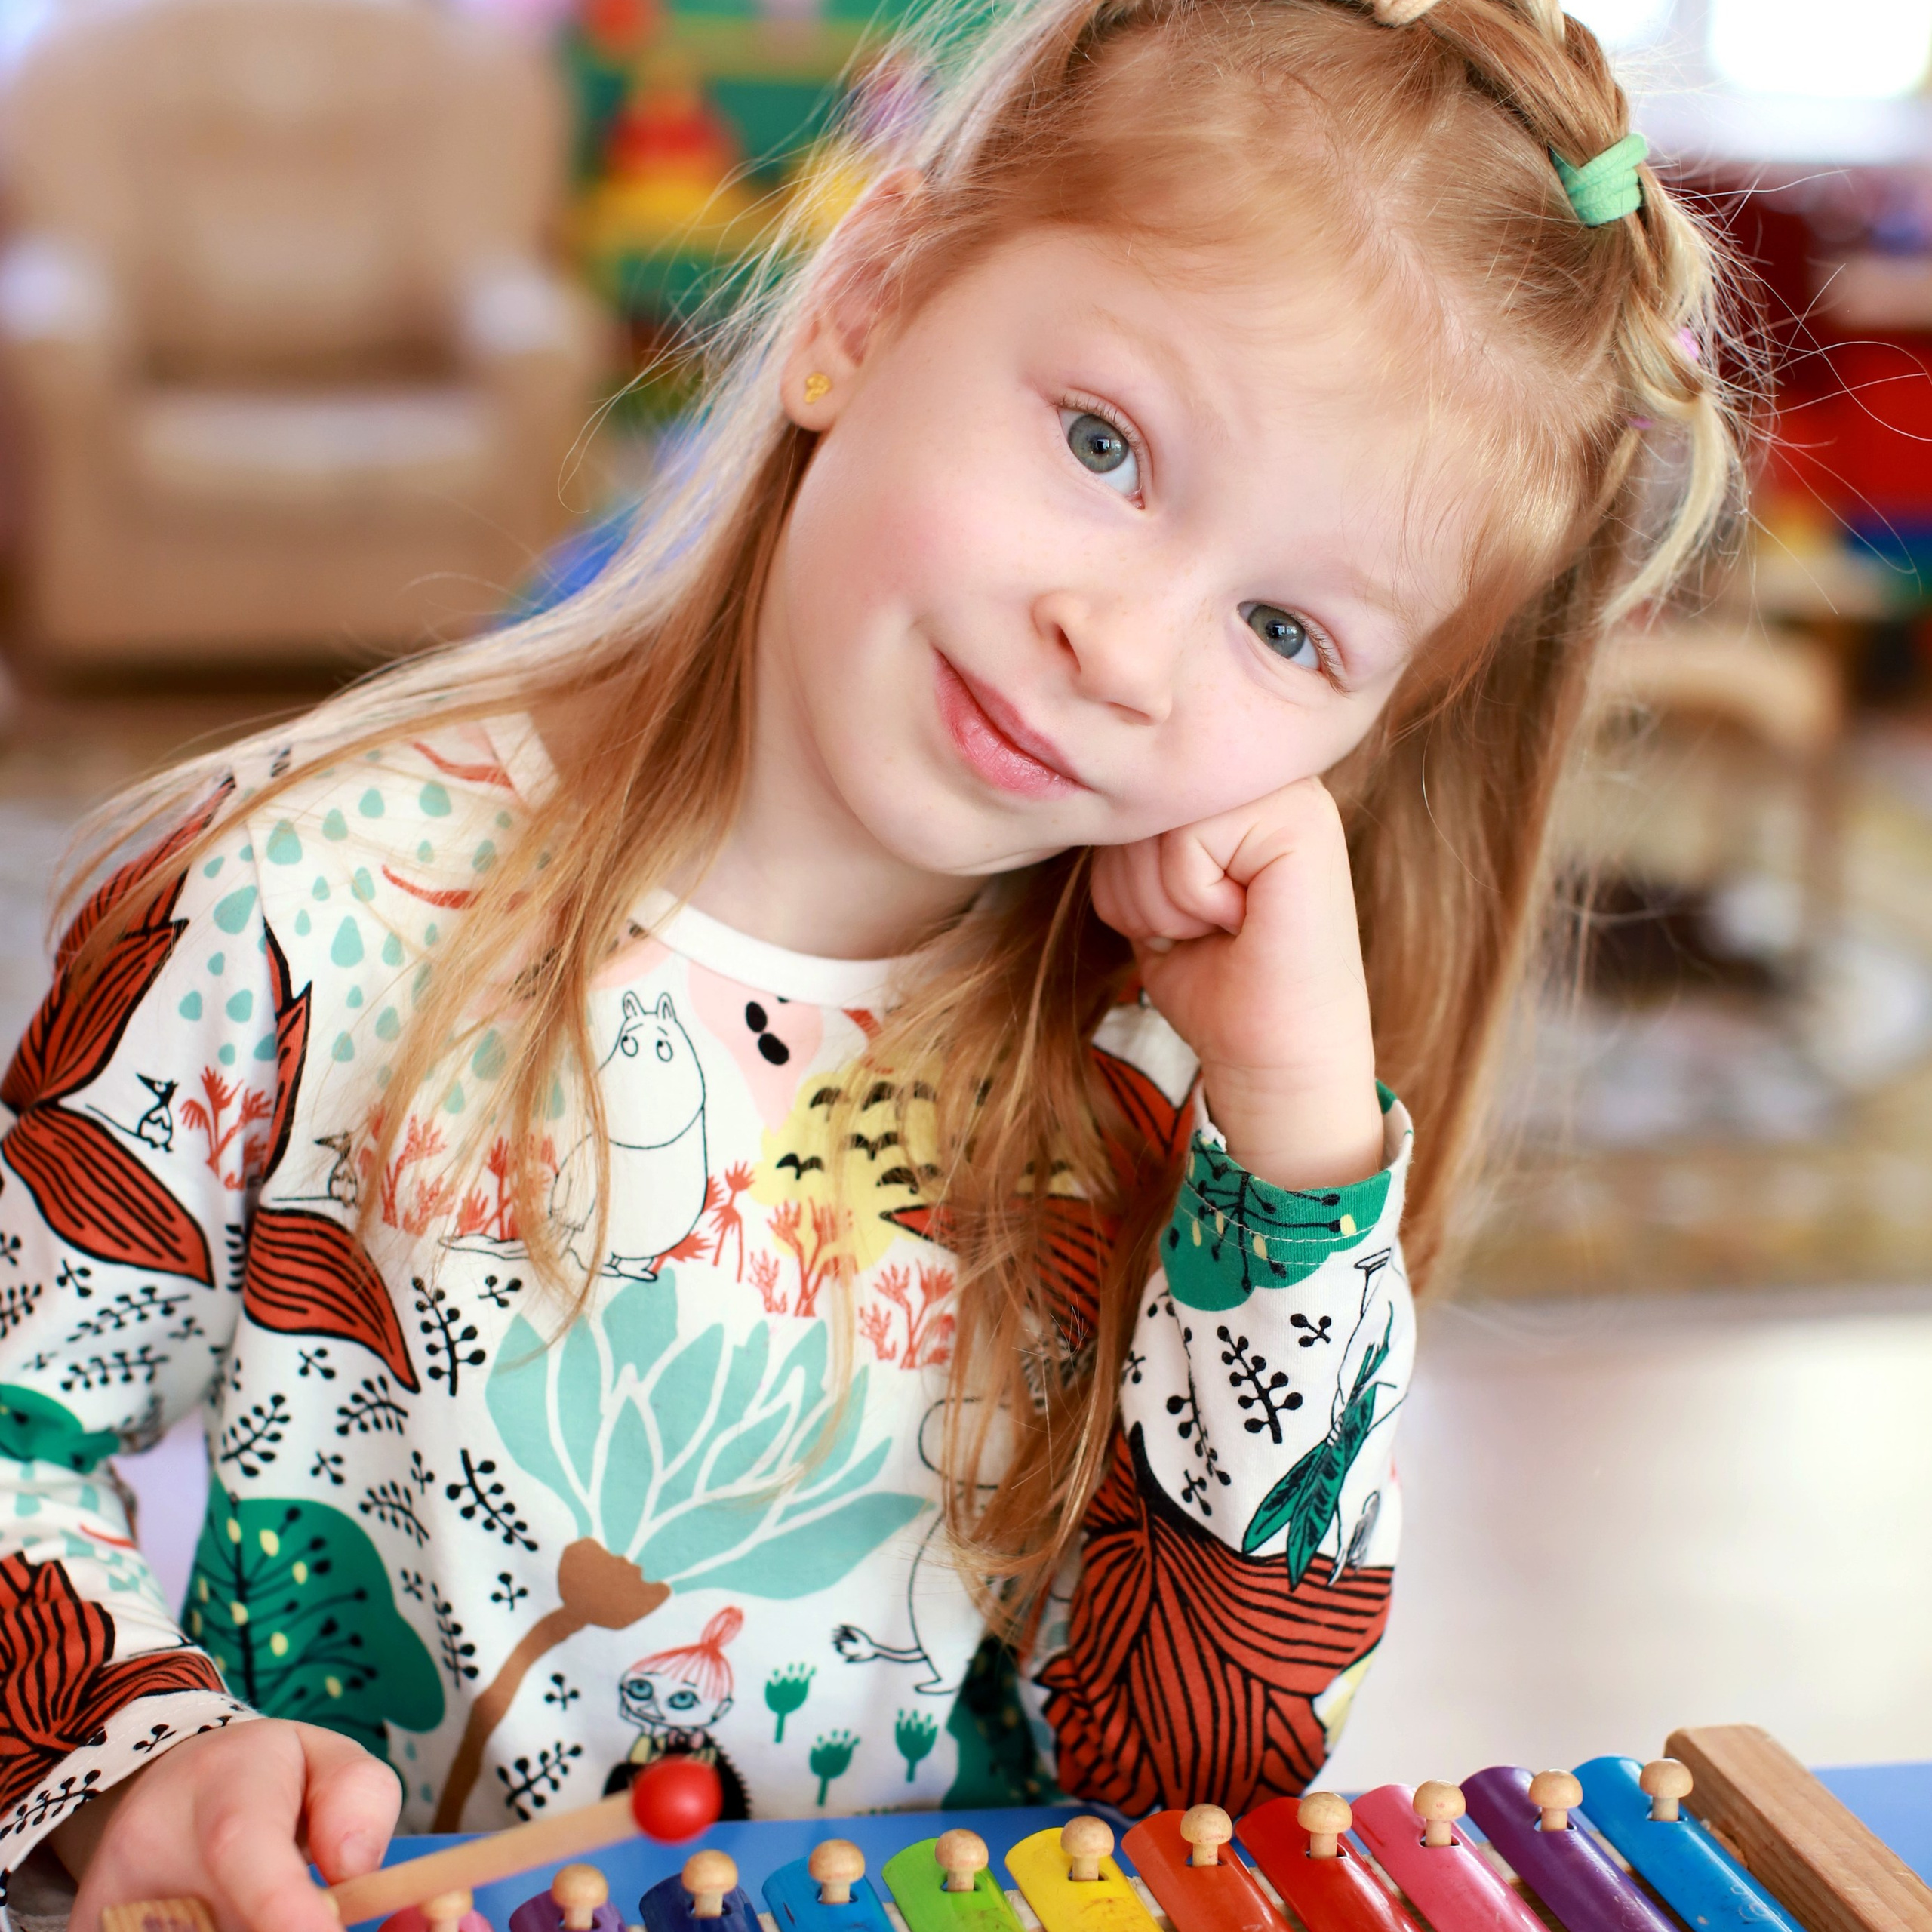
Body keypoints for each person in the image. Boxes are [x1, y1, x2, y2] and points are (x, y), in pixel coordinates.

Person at [0, 0, 1749, 1926]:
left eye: (1283, 627)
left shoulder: (1187, 1092)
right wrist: (137, 1757)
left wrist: (1299, 1159)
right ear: (866, 299)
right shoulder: (289, 900)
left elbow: (1207, 1778)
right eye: (1102, 442)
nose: (1126, 646)